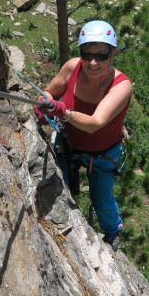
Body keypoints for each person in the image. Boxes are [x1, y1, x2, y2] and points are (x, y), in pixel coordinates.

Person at [34, 21, 132, 251]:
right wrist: (42, 103)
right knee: (60, 191)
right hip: (68, 145)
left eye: (101, 55)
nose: (93, 62)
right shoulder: (71, 68)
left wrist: (62, 111)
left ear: (113, 53)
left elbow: (95, 124)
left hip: (102, 155)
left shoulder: (121, 86)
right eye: (86, 54)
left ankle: (112, 231)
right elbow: (49, 91)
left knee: (101, 200)